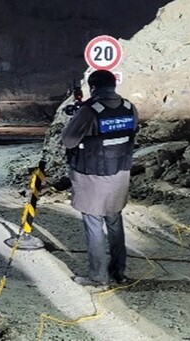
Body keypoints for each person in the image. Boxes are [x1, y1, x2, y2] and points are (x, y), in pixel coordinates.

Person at [60, 69, 138, 287]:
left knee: (94, 225)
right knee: (115, 222)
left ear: (93, 88)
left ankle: (98, 276)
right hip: (120, 173)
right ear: (113, 85)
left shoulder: (89, 110)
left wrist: (76, 118)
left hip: (92, 175)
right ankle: (119, 273)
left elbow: (68, 141)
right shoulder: (129, 107)